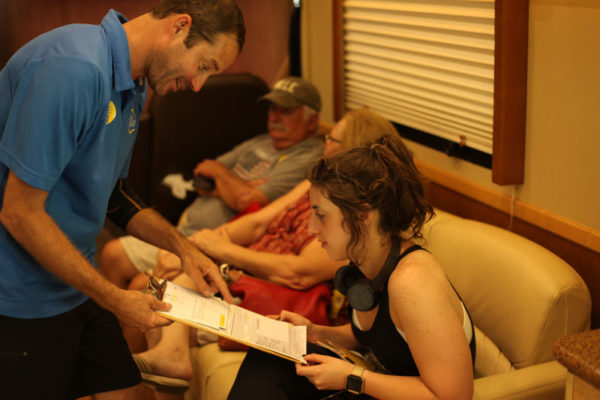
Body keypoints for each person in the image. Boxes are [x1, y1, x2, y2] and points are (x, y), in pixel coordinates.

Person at [0, 1, 244, 398]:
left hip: (75, 281)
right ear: (180, 28)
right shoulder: (74, 69)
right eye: (204, 66)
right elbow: (19, 213)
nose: (198, 85)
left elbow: (114, 195)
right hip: (19, 298)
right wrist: (114, 297)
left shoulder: (134, 85)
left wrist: (184, 249)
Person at [128, 109, 402, 392]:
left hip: (269, 288)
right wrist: (191, 249)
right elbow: (259, 222)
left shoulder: (358, 228)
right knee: (153, 288)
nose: (324, 144)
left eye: (332, 140)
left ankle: (168, 360)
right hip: (251, 275)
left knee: (158, 300)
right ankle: (166, 362)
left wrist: (221, 252)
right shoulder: (318, 185)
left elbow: (300, 273)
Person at [227, 134, 476, 400]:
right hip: (376, 382)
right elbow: (379, 335)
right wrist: (314, 332)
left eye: (321, 215)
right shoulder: (363, 260)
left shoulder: (412, 281)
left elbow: (454, 396)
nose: (312, 229)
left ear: (363, 214)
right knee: (269, 356)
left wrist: (353, 378)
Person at [102, 75, 324, 289]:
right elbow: (203, 176)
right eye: (273, 108)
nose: (275, 117)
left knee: (137, 280)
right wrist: (236, 185)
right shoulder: (261, 142)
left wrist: (229, 182)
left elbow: (247, 201)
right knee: (113, 256)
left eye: (285, 111)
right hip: (188, 230)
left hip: (222, 243)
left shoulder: (308, 157)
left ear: (312, 120)